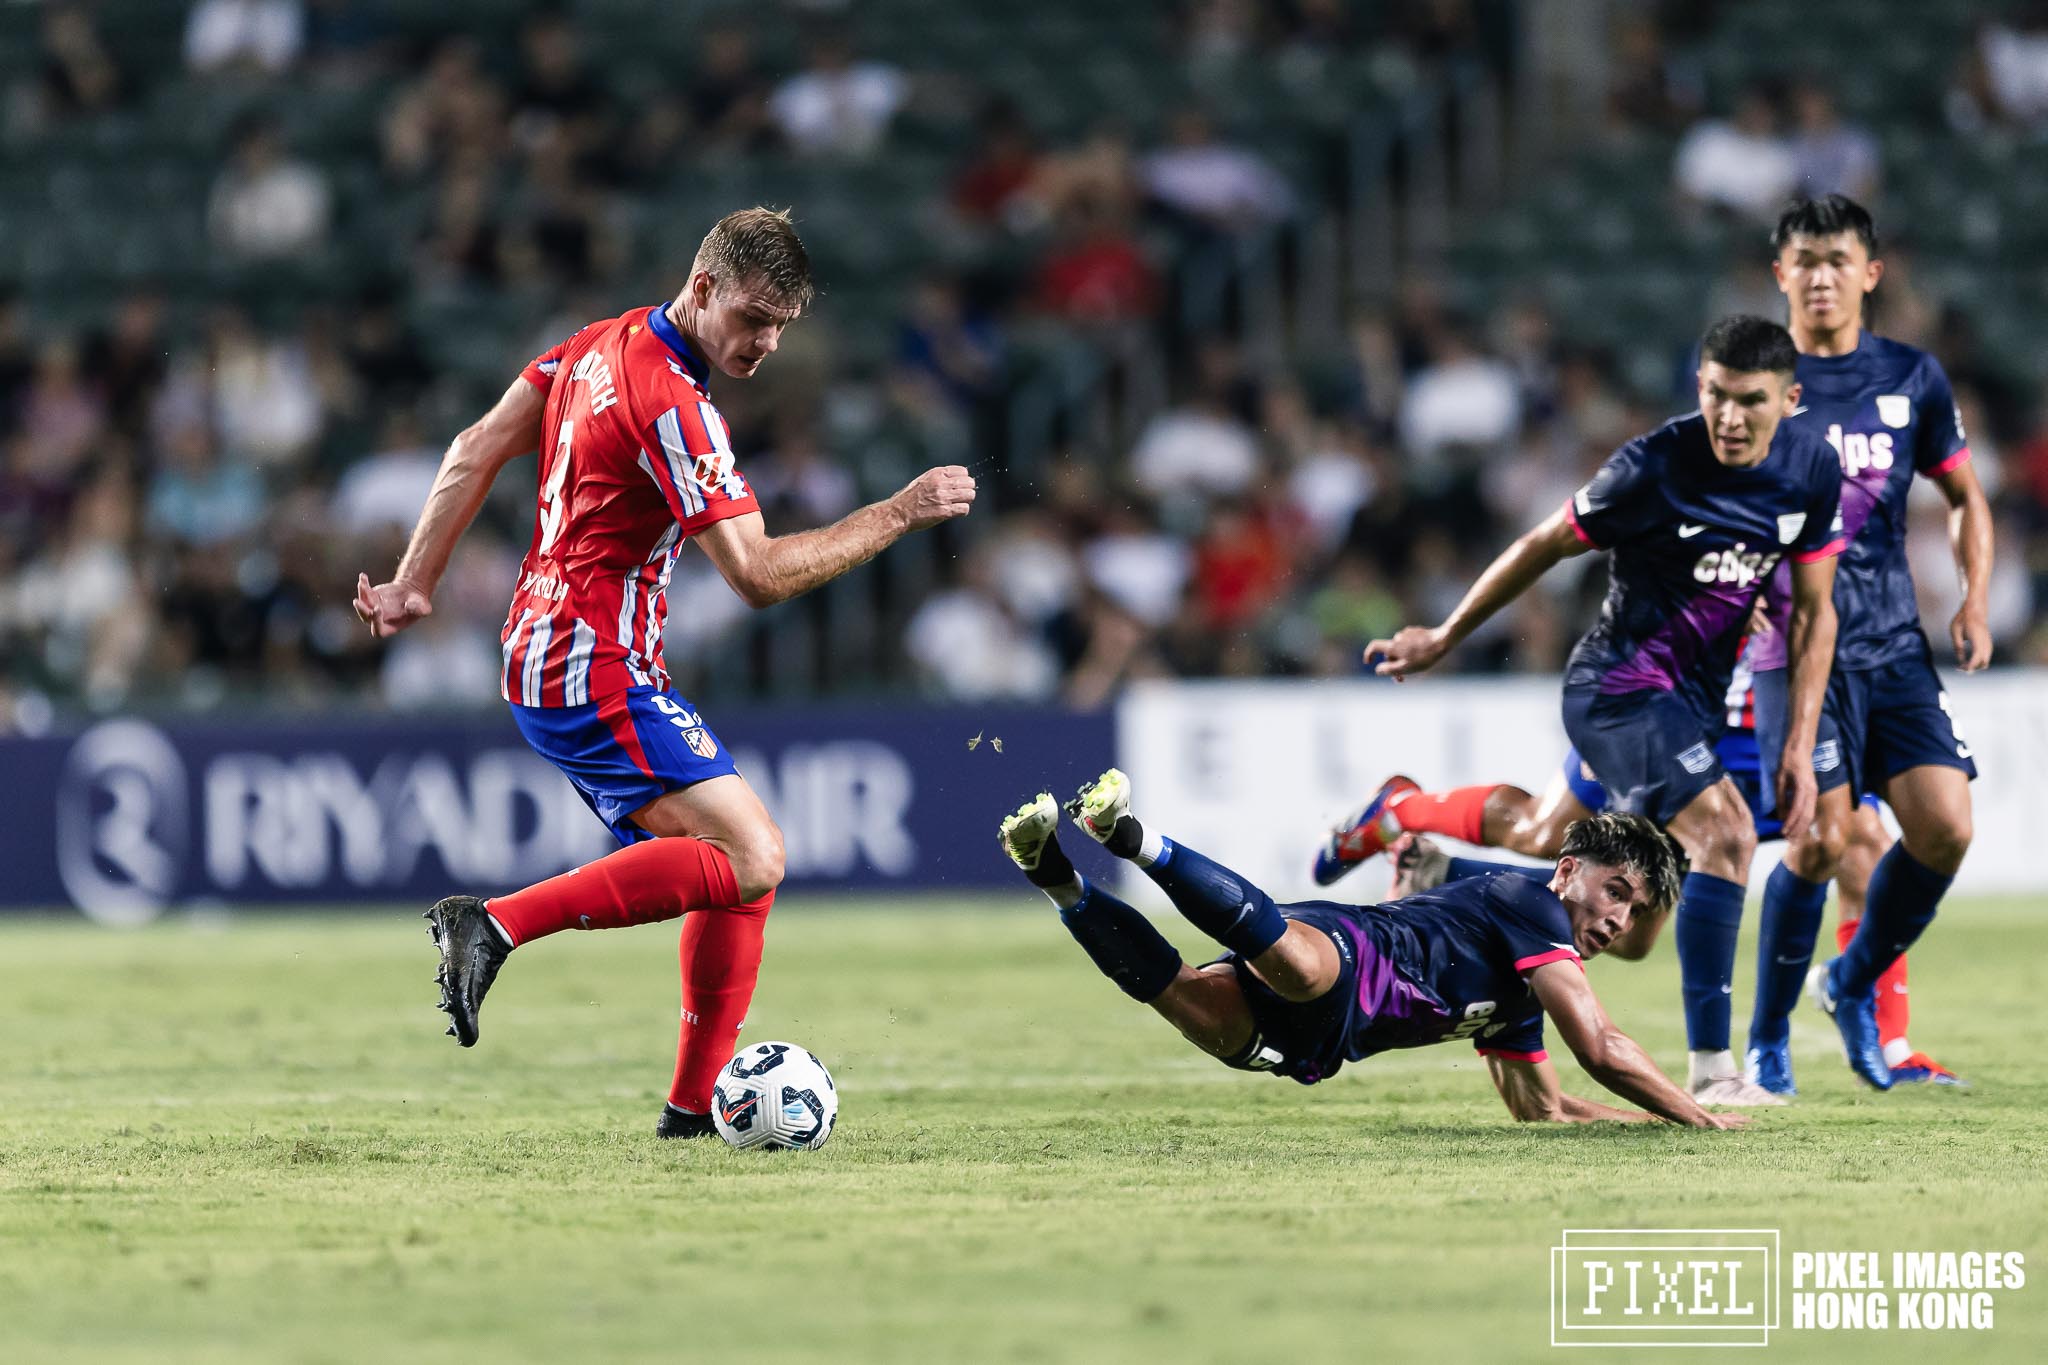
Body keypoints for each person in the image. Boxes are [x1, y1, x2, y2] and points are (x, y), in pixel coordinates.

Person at [353, 208, 977, 1138]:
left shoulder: (597, 345)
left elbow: (474, 447)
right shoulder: (673, 405)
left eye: (781, 325)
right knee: (754, 855)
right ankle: (493, 926)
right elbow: (758, 575)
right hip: (588, 660)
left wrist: (415, 580)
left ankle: (690, 1110)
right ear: (704, 287)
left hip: (556, 648)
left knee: (743, 863)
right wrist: (896, 512)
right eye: (754, 318)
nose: (765, 343)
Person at [1360, 316, 1844, 1106]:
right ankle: (1716, 1073)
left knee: (1590, 885)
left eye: (1750, 401)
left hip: (1692, 707)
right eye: (1716, 395)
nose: (1729, 416)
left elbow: (1814, 612)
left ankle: (1422, 842)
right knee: (1724, 828)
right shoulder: (1651, 467)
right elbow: (1543, 543)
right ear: (1700, 387)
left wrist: (1795, 739)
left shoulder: (1812, 470)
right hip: (1617, 690)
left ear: (1788, 399)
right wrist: (1446, 634)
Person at [999, 769, 1743, 1129]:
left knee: (1197, 1007)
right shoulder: (1534, 903)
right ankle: (1129, 837)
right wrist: (1700, 1119)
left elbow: (1541, 1110)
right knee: (1301, 969)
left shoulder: (1524, 995)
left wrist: (1651, 1122)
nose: (1619, 919)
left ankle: (1053, 874)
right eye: (1617, 891)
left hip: (1322, 1042)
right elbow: (1603, 1046)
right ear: (1570, 869)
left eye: (1637, 909)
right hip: (1357, 953)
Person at [1745, 196, 1991, 1092]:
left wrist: (1972, 601)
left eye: (1837, 259)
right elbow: (1698, 504)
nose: (1820, 275)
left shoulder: (1913, 377)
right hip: (1796, 647)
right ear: (1781, 274)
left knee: (1944, 825)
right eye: (1803, 259)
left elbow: (1967, 498)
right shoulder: (1752, 379)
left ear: (1870, 273)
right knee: (1818, 841)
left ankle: (1848, 983)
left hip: (1892, 645)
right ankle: (1767, 1038)